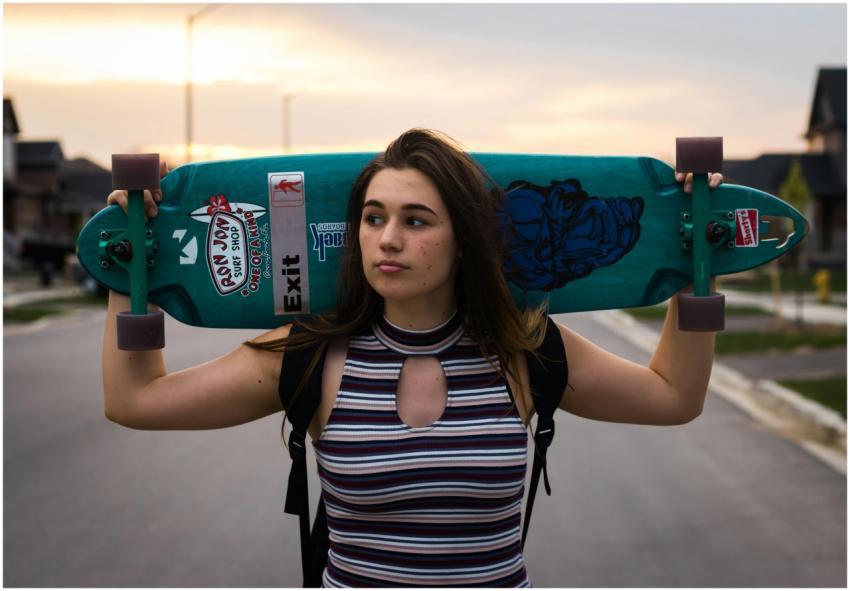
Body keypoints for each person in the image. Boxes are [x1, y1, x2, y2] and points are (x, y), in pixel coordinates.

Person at [103, 128, 723, 587]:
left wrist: (699, 260)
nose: (388, 239)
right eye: (373, 218)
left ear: (465, 241)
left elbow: (673, 396)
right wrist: (129, 263)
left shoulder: (524, 349)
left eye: (417, 221)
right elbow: (136, 401)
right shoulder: (309, 355)